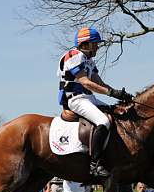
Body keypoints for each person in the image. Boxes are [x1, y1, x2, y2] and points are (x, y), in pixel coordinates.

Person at [57, 27, 133, 178]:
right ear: (86, 44)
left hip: (88, 98)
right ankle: (95, 164)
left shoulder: (89, 60)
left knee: (116, 112)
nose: (98, 46)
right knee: (103, 121)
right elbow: (86, 82)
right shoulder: (73, 55)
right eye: (95, 43)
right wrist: (110, 92)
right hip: (75, 99)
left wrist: (118, 93)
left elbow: (99, 82)